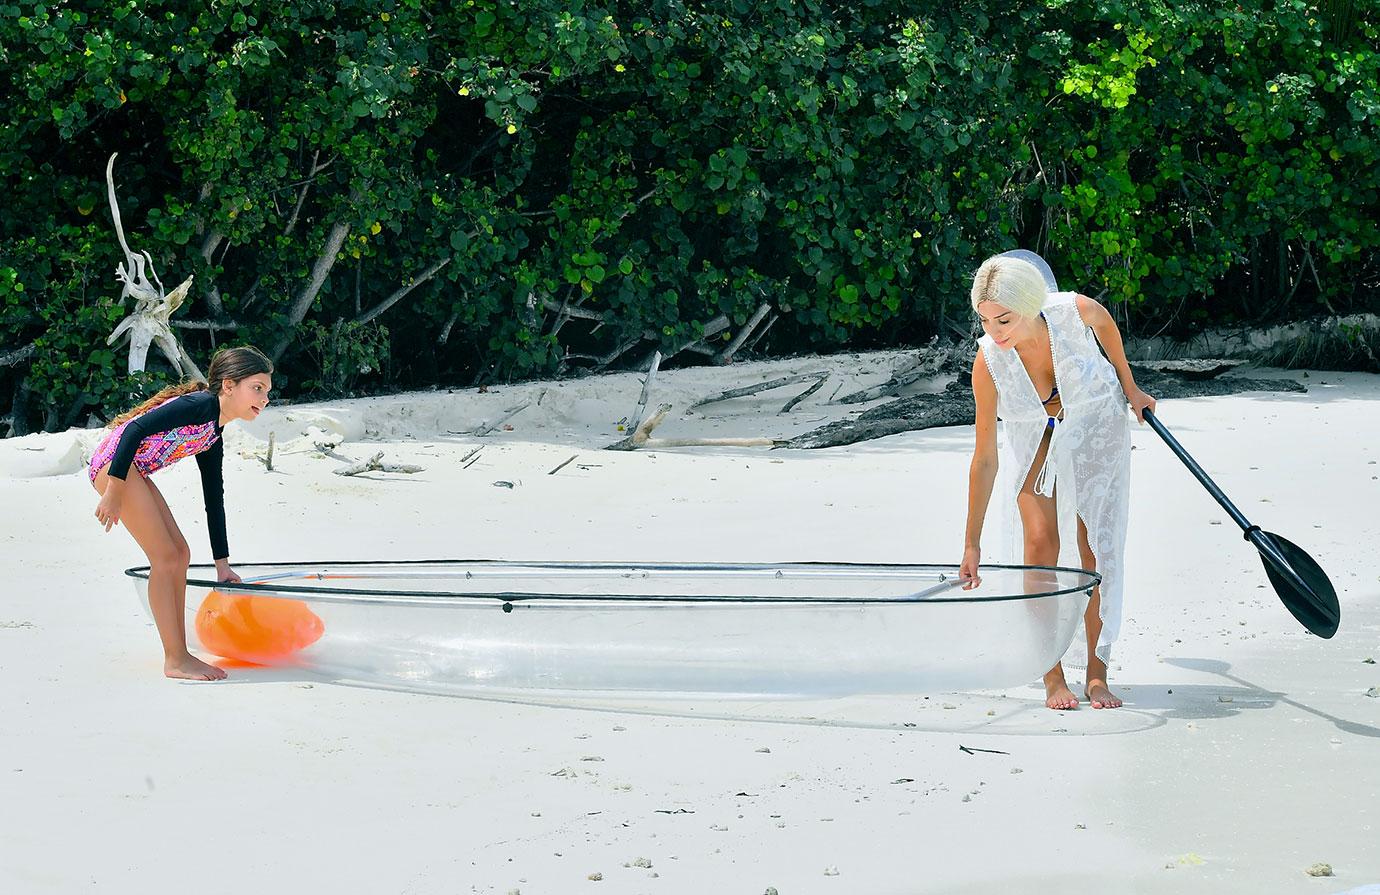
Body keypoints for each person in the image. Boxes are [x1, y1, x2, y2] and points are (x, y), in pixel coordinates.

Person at [959, 255, 1154, 709]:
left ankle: (1098, 672)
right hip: (1036, 437)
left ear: (1029, 305)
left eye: (1003, 319)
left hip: (1096, 424)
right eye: (985, 321)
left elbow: (1108, 333)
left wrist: (1132, 390)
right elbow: (985, 458)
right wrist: (972, 543)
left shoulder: (1075, 311)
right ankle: (1051, 673)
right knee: (1040, 544)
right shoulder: (987, 363)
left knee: (1093, 549)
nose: (994, 331)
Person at [90, 346, 273, 680]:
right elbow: (134, 430)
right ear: (229, 386)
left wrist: (222, 565)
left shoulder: (212, 433)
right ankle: (175, 659)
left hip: (131, 471)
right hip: (115, 467)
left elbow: (213, 498)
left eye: (267, 392)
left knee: (180, 553)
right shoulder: (200, 405)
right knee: (165, 558)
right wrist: (114, 491)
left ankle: (179, 654)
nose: (264, 398)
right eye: (257, 388)